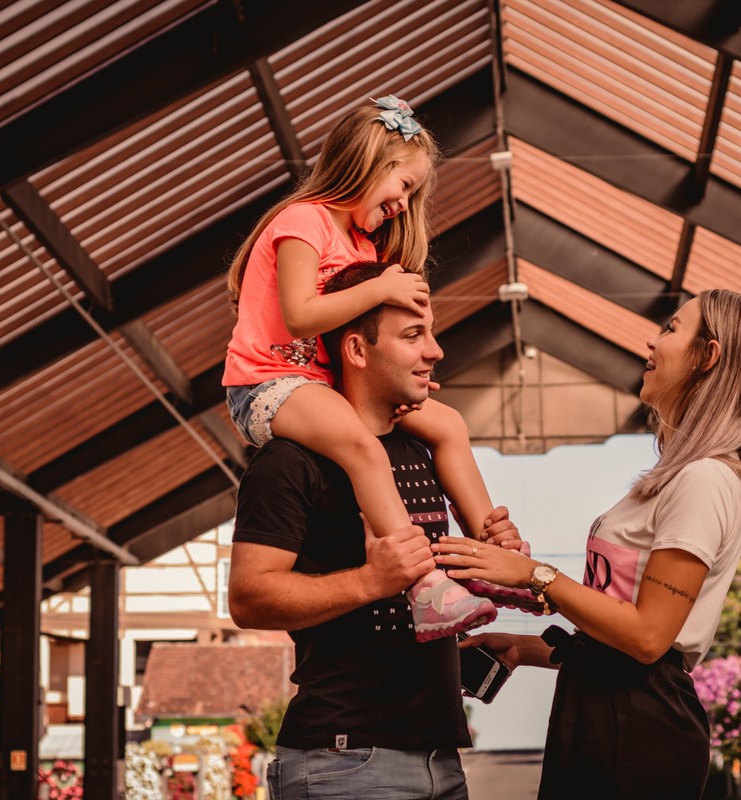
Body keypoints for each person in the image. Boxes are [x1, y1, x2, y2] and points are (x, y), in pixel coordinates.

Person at [432, 289, 741, 800]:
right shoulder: (678, 478)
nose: (653, 339)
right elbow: (617, 639)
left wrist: (533, 574)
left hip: (638, 725)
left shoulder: (706, 480)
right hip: (607, 708)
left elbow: (649, 638)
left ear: (708, 356)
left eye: (671, 329)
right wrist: (522, 648)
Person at [223, 94, 532, 639]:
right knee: (363, 448)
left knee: (448, 424)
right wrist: (384, 286)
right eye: (404, 186)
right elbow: (299, 317)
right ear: (367, 164)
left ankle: (490, 556)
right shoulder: (304, 221)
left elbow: (361, 338)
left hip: (320, 385)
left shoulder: (361, 244)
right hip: (267, 384)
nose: (405, 203)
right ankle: (428, 589)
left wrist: (402, 371)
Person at [227, 261, 522, 799]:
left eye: (431, 333)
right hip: (345, 759)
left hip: (442, 755)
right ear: (357, 351)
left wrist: (494, 558)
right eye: (413, 336)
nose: (435, 352)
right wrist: (369, 580)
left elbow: (431, 587)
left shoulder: (424, 450)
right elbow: (248, 599)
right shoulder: (290, 463)